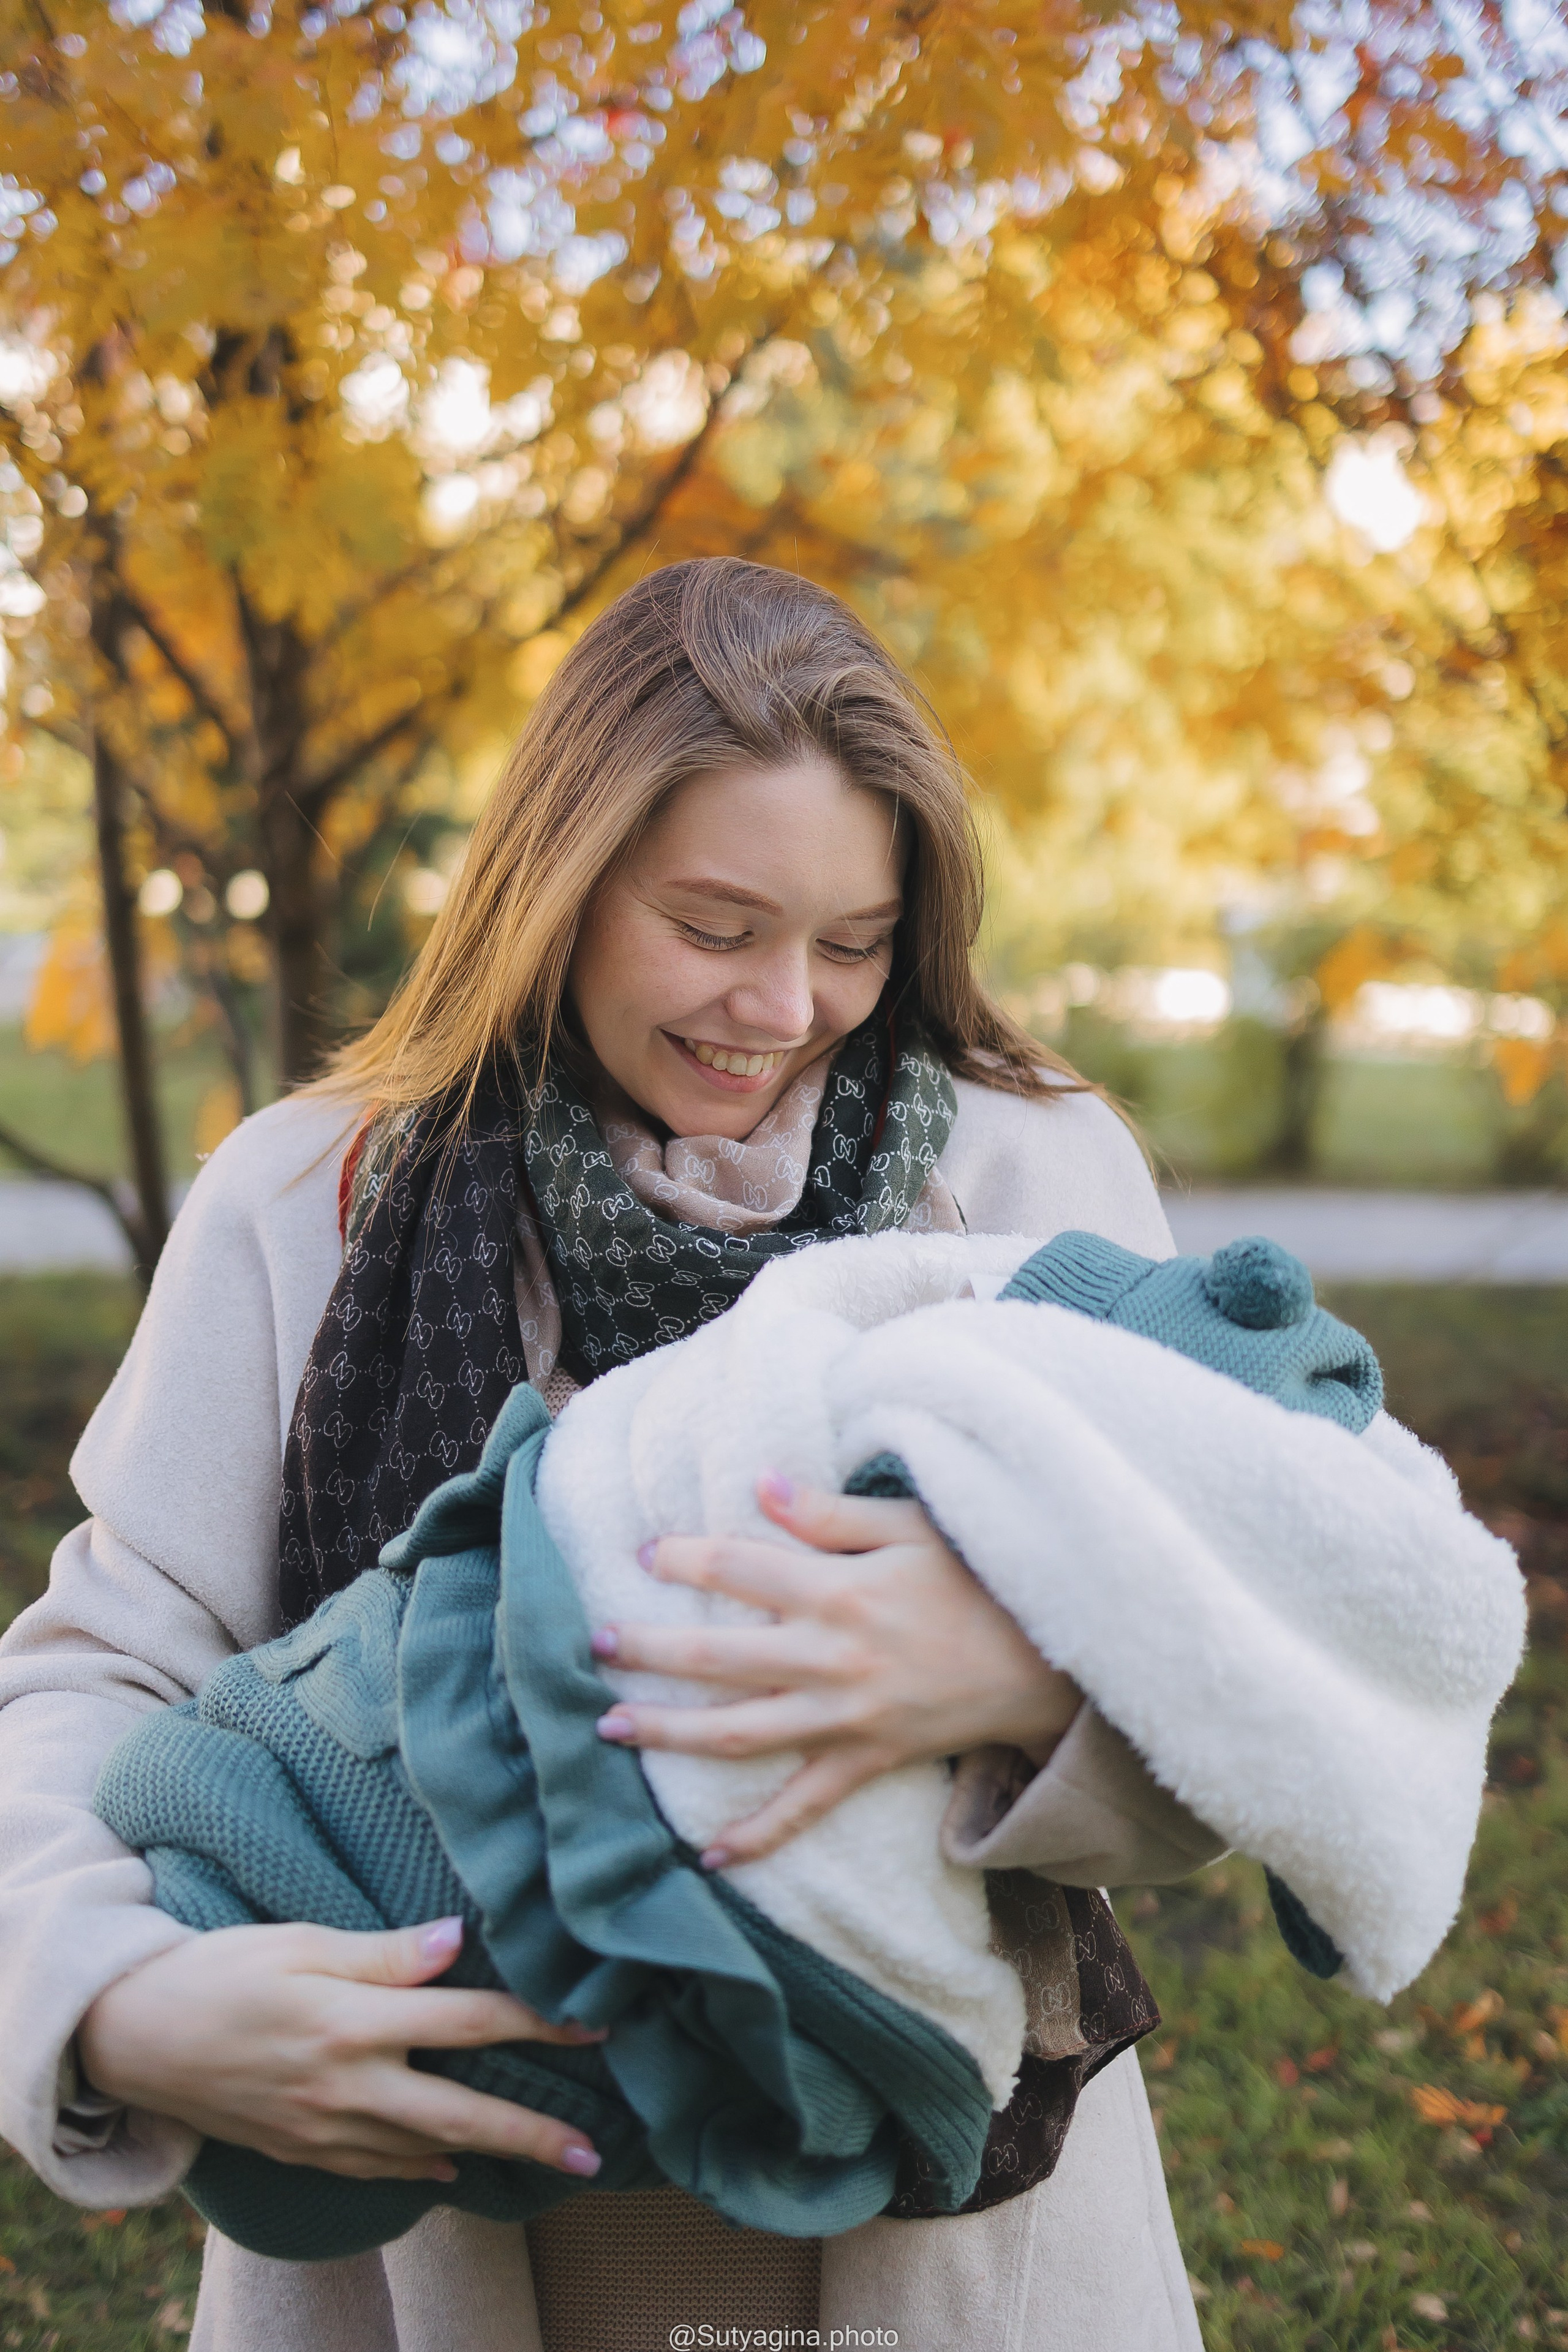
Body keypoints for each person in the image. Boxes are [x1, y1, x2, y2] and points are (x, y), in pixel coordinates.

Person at [0, 560, 1223, 2352]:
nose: (787, 1004)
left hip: (947, 2246)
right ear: (560, 883)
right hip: (420, 2244)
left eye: (856, 941)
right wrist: (105, 1999)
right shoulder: (305, 1199)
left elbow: (1242, 1687)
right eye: (714, 927)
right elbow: (104, 1667)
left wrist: (1027, 1682)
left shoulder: (1038, 1184)